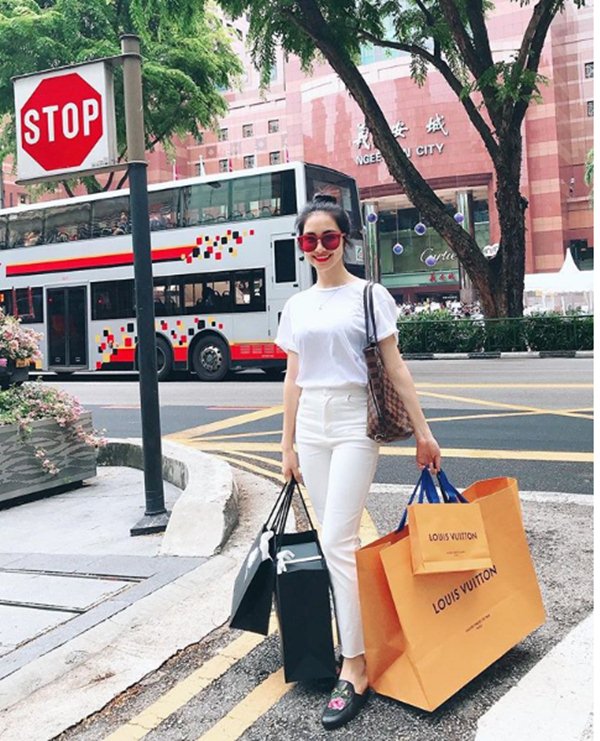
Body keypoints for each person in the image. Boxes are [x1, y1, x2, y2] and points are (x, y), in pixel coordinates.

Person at [275, 194, 441, 731]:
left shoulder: (370, 296)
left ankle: (355, 665)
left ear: (344, 240)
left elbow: (396, 368)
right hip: (311, 424)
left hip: (354, 422)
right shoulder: (297, 306)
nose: (319, 248)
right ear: (301, 245)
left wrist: (423, 433)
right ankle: (355, 640)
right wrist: (286, 445)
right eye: (309, 239)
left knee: (338, 540)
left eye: (328, 237)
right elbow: (292, 379)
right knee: (334, 542)